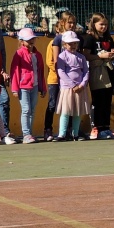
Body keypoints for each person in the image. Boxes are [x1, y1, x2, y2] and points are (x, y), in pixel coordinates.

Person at [42, 11, 76, 142]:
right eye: (69, 22)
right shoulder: (54, 42)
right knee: (52, 104)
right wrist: (61, 73)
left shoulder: (74, 42)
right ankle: (48, 129)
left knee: (69, 105)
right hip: (55, 80)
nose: (72, 25)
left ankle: (69, 130)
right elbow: (50, 62)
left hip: (69, 81)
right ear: (62, 23)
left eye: (74, 23)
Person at [10, 28, 46, 143]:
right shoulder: (19, 54)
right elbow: (14, 71)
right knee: (26, 110)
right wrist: (15, 88)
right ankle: (26, 134)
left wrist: (42, 87)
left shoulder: (38, 54)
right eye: (28, 39)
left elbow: (40, 72)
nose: (31, 41)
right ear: (21, 41)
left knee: (32, 110)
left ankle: (29, 133)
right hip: (23, 87)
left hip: (34, 86)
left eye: (32, 39)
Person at [84, 13, 114, 139]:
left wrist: (112, 54)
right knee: (98, 101)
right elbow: (86, 55)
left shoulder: (108, 38)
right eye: (101, 24)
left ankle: (106, 128)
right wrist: (100, 56)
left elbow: (112, 52)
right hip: (97, 72)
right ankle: (98, 128)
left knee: (107, 101)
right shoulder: (90, 38)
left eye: (106, 24)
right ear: (94, 24)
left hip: (108, 70)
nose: (104, 27)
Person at [53, 30, 90, 142]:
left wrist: (82, 84)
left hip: (80, 89)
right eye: (70, 44)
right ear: (64, 45)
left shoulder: (81, 57)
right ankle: (62, 134)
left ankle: (75, 134)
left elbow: (86, 71)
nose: (73, 46)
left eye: (75, 43)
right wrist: (72, 85)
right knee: (65, 112)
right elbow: (61, 72)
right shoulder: (62, 56)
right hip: (67, 88)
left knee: (77, 112)